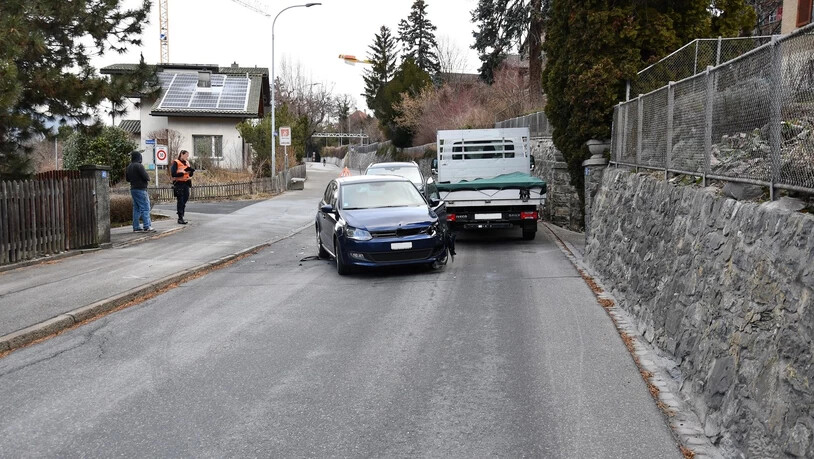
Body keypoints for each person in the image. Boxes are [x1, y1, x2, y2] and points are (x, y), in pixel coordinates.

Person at [125, 151, 156, 232]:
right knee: (145, 207)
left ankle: (136, 227)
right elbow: (146, 177)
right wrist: (147, 177)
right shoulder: (139, 166)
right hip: (141, 189)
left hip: (133, 188)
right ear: (139, 157)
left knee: (136, 208)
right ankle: (147, 226)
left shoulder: (129, 166)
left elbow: (127, 179)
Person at [170, 150, 195, 224]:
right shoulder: (176, 162)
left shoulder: (187, 162)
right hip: (179, 183)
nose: (187, 157)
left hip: (186, 183)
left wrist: (191, 172)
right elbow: (173, 174)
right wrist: (182, 173)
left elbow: (190, 175)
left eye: (188, 155)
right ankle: (180, 217)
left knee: (185, 198)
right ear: (182, 154)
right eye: (186, 155)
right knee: (180, 200)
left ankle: (181, 213)